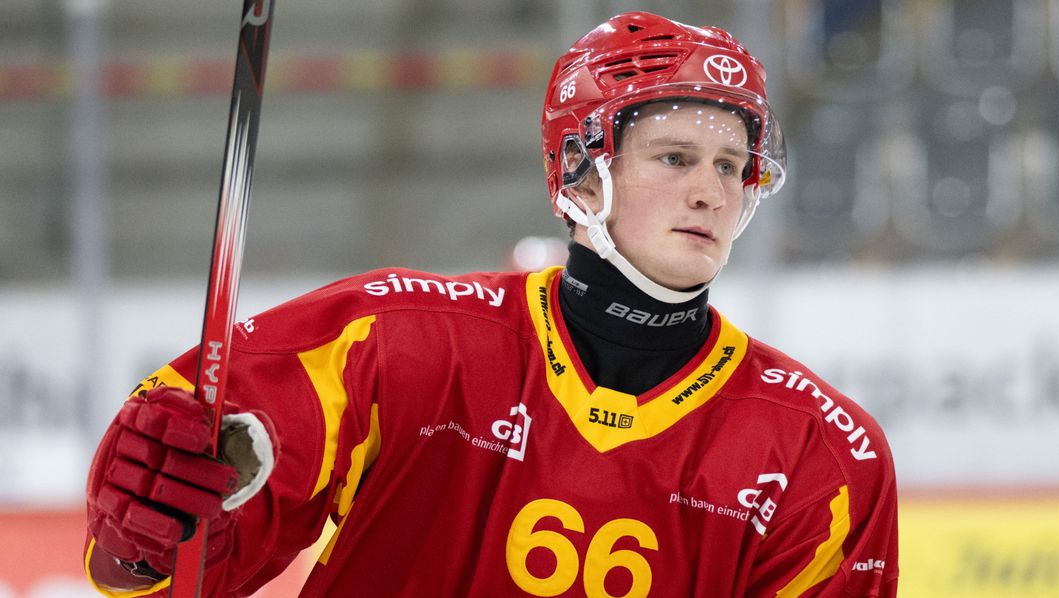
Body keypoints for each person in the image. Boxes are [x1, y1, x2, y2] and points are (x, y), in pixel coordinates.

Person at [84, 11, 898, 597]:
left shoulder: (823, 457)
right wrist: (148, 538)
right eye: (677, 156)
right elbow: (194, 549)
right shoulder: (396, 341)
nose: (712, 192)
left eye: (732, 166)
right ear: (580, 174)